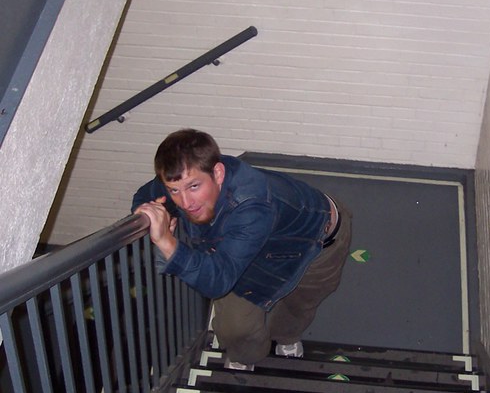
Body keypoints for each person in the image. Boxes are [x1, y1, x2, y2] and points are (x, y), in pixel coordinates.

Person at [132, 129, 351, 369]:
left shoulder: (253, 206)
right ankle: (247, 356)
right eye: (175, 191)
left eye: (194, 187)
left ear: (217, 173)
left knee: (300, 302)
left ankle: (286, 336)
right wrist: (153, 213)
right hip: (250, 244)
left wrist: (166, 241)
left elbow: (218, 281)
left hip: (315, 241)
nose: (185, 203)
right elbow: (145, 196)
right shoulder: (181, 176)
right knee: (234, 327)